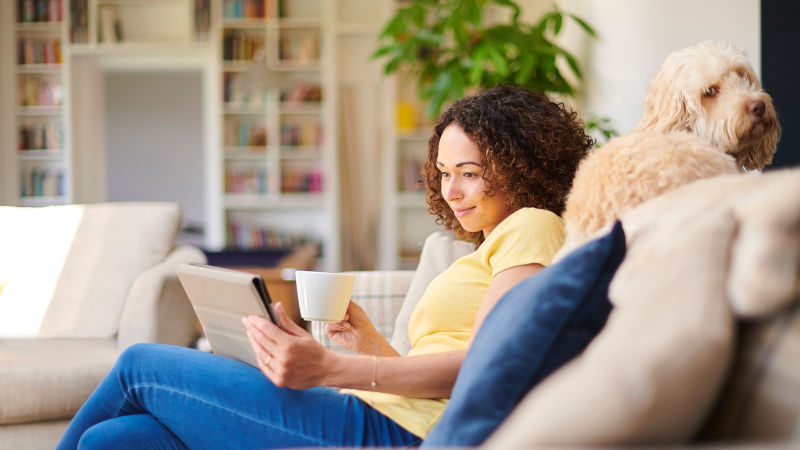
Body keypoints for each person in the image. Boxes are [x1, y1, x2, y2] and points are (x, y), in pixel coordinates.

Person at [57, 85, 593, 449]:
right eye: (445, 172)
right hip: (378, 411)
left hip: (397, 434)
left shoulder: (534, 225)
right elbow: (441, 367)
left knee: (140, 365)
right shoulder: (487, 248)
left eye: (470, 173)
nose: (451, 191)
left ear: (523, 166)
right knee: (113, 441)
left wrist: (331, 368)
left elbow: (484, 369)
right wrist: (369, 346)